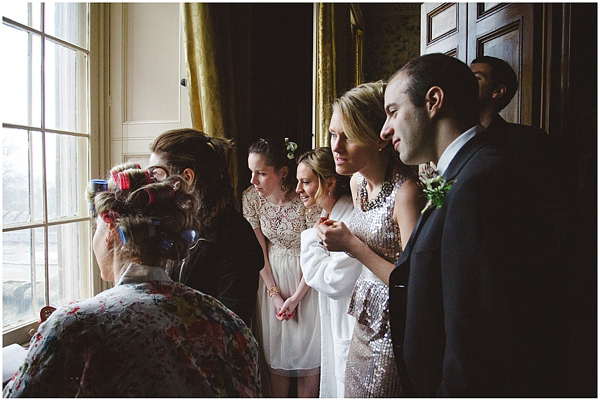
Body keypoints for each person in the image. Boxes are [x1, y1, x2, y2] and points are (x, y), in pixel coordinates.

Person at [381, 53, 562, 396]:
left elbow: (478, 337)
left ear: (433, 101)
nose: (385, 130)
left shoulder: (481, 183)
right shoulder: (464, 172)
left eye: (393, 112)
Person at [3, 162, 260, 397]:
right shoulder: (227, 323)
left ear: (111, 232)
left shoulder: (72, 326)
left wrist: (52, 336)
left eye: (97, 227)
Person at [315, 82, 424, 397]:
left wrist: (351, 246)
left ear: (380, 138)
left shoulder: (407, 194)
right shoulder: (357, 183)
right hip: (365, 322)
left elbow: (413, 284)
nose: (336, 147)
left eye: (347, 136)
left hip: (396, 331)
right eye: (334, 134)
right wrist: (336, 233)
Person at [149, 128, 263, 326]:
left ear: (187, 177)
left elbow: (233, 320)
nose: (150, 183)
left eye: (157, 174)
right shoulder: (168, 224)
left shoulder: (235, 235)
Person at [242, 137, 321, 398]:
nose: (254, 180)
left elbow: (317, 253)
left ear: (282, 172)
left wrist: (297, 297)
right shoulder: (251, 199)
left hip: (307, 278)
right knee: (277, 359)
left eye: (261, 173)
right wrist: (275, 295)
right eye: (251, 172)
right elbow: (258, 251)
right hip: (271, 278)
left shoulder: (305, 198)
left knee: (308, 359)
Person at [297, 147, 363, 398]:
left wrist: (312, 239)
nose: (297, 189)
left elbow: (332, 280)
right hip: (335, 320)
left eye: (305, 182)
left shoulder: (348, 219)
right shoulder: (328, 215)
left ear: (330, 182)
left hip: (348, 322)